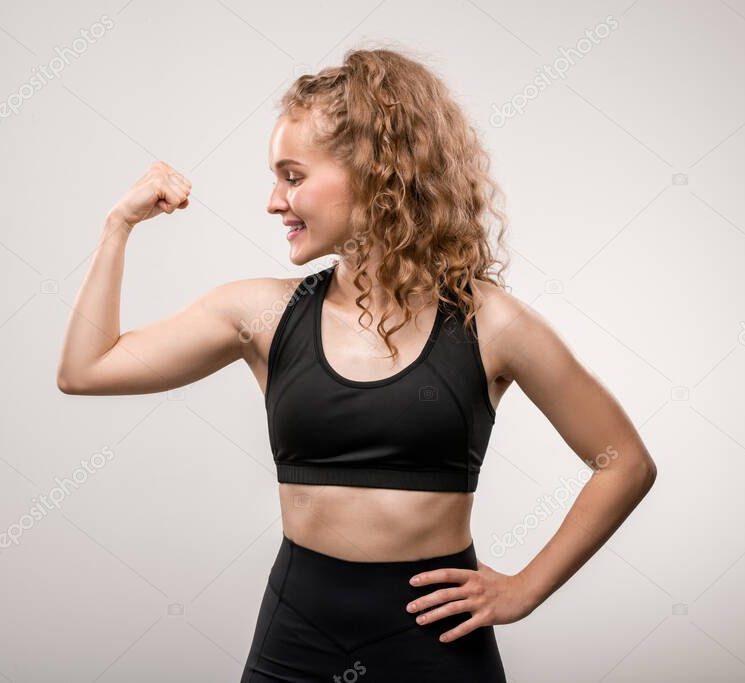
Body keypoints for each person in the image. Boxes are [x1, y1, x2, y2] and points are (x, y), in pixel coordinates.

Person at [57, 46, 657, 682]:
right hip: (297, 638)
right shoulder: (259, 315)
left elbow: (624, 464)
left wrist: (525, 590)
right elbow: (87, 369)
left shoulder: (492, 325)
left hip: (435, 645)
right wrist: (117, 225)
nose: (272, 201)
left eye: (293, 177)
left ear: (376, 172)